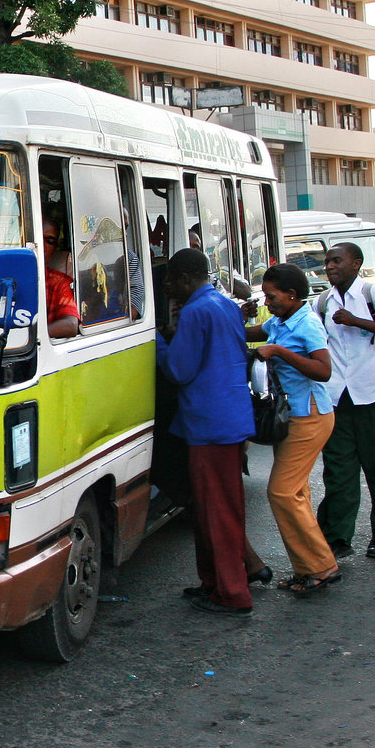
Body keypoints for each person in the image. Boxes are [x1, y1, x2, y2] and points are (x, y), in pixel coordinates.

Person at [156, 249, 257, 616]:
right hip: (229, 416)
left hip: (209, 424)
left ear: (184, 279)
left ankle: (232, 593)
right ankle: (214, 583)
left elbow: (180, 371)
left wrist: (158, 342)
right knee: (218, 508)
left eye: (169, 280)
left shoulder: (196, 311)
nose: (166, 287)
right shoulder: (224, 304)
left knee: (216, 511)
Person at [246, 263, 339, 596]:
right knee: (297, 493)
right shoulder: (282, 320)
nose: (267, 302)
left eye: (272, 297)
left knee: (282, 492)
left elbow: (323, 370)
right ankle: (310, 568)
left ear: (292, 295)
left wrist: (280, 352)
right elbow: (255, 334)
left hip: (310, 416)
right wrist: (236, 316)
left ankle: (321, 567)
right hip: (291, 416)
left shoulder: (308, 323)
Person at [315, 241, 375, 559]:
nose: (330, 266)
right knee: (338, 469)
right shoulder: (324, 302)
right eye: (327, 261)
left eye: (336, 261)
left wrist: (357, 321)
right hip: (337, 395)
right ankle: (338, 537)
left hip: (372, 392)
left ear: (356, 263)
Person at [42, 217, 80, 338]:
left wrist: (30, 337)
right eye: (35, 240)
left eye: (49, 241)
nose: (41, 246)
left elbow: (71, 325)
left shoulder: (59, 283)